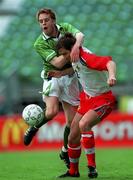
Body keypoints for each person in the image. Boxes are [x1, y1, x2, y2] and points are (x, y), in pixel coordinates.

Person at [23, 8, 87, 169]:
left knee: (72, 123)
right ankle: (34, 127)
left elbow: (80, 35)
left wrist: (76, 45)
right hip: (52, 76)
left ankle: (65, 150)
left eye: (46, 20)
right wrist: (73, 50)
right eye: (40, 21)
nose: (43, 23)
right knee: (51, 112)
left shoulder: (65, 27)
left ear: (53, 20)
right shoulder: (39, 43)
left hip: (70, 77)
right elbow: (58, 63)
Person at [54, 33, 117, 178]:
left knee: (84, 125)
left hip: (103, 99)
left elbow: (109, 62)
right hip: (87, 99)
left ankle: (92, 167)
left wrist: (112, 76)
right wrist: (61, 73)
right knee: (72, 137)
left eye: (64, 54)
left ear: (72, 49)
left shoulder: (85, 58)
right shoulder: (74, 57)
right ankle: (73, 172)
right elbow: (77, 68)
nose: (64, 58)